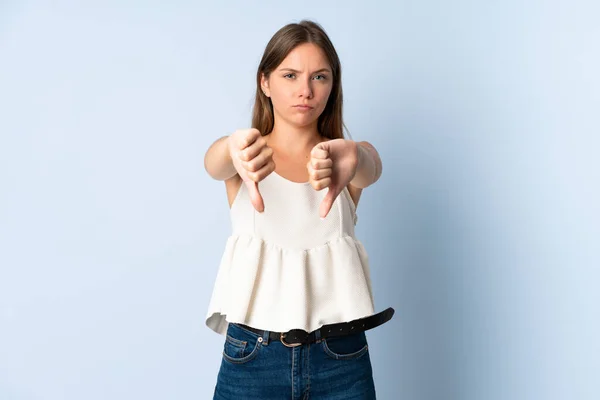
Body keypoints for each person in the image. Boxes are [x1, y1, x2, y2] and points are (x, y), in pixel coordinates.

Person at [204, 20, 394, 400]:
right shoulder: (246, 158)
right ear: (265, 82)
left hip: (340, 357)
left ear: (332, 86)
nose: (305, 91)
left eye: (319, 77)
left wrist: (356, 154)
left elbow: (372, 167)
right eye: (290, 75)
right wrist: (232, 146)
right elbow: (215, 162)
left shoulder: (340, 161)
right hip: (253, 357)